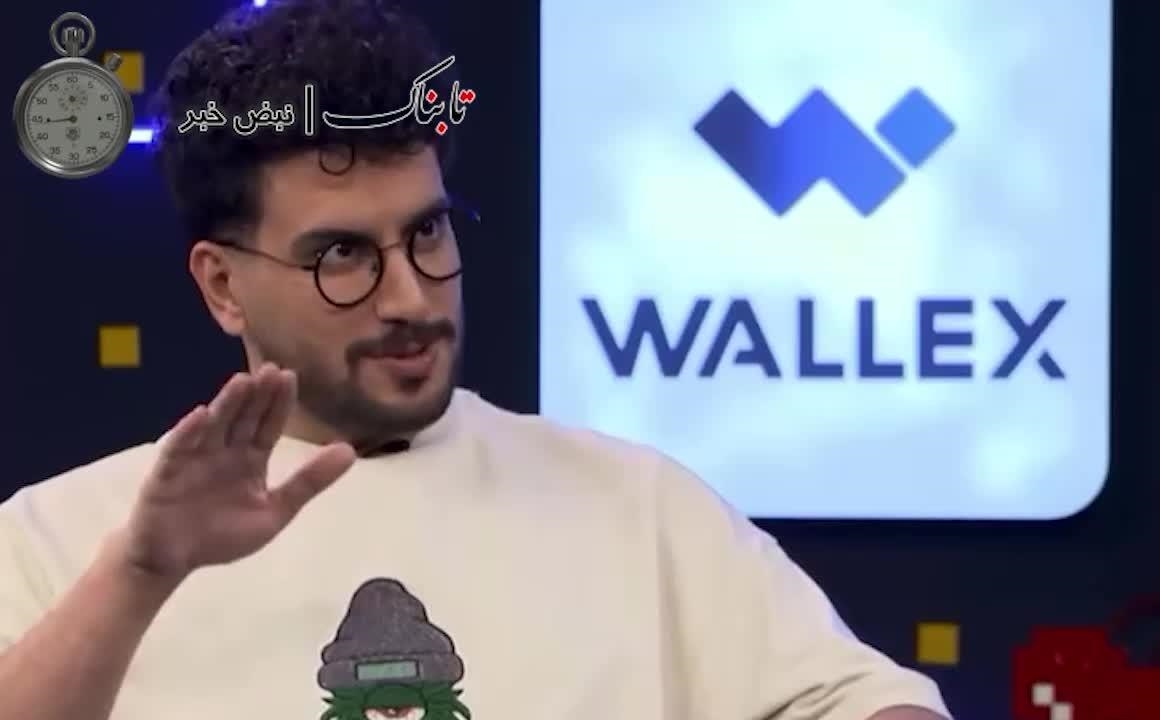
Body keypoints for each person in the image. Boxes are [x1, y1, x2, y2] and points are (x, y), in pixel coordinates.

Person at [0, 1, 953, 718]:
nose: (411, 298)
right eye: (343, 256)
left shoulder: (639, 510)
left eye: (428, 233)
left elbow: (863, 701)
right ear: (222, 285)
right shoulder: (60, 542)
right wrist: (139, 576)